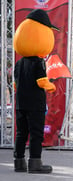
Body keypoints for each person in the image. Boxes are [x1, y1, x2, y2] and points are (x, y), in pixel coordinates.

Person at [13, 9, 58, 173]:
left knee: (21, 133)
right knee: (36, 133)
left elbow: (16, 84)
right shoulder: (39, 62)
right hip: (35, 104)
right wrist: (51, 85)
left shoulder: (19, 63)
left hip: (21, 103)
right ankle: (35, 163)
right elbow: (41, 82)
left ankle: (19, 162)